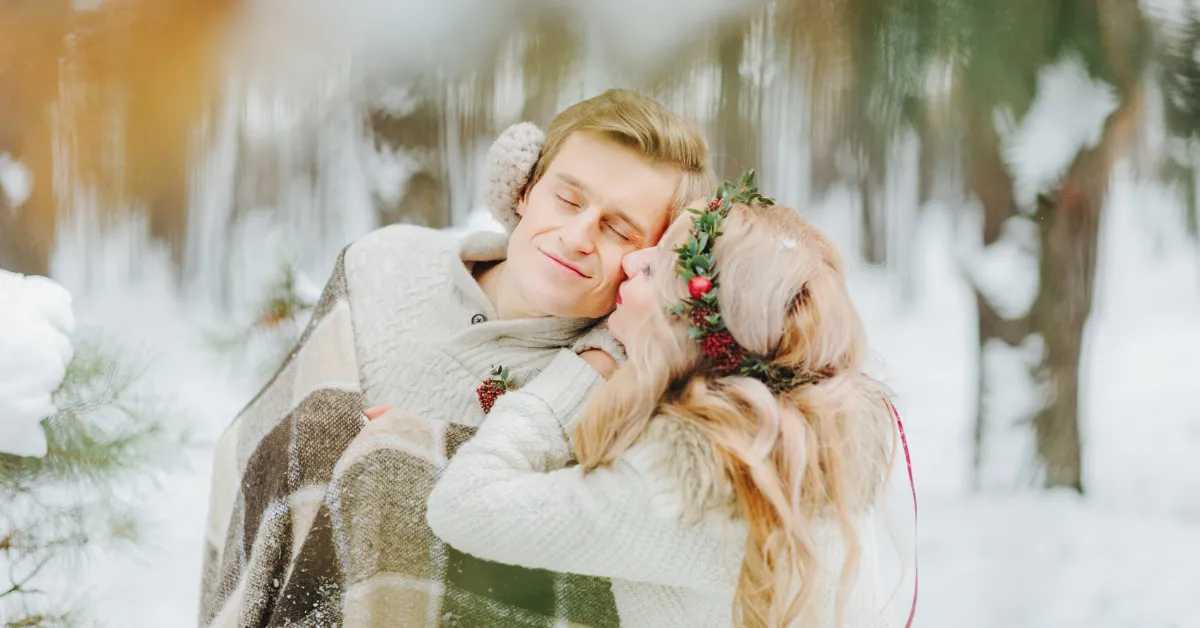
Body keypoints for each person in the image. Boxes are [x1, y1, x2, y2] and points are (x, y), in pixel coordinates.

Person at [198, 89, 715, 628]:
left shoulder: (625, 396)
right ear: (525, 188)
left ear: (656, 258)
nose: (578, 235)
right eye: (568, 199)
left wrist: (414, 456)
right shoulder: (381, 267)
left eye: (619, 229)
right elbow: (263, 459)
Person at [424, 173, 903, 628]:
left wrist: (589, 365)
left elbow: (463, 504)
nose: (631, 263)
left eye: (654, 268)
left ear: (687, 327)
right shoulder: (801, 449)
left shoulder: (685, 488)